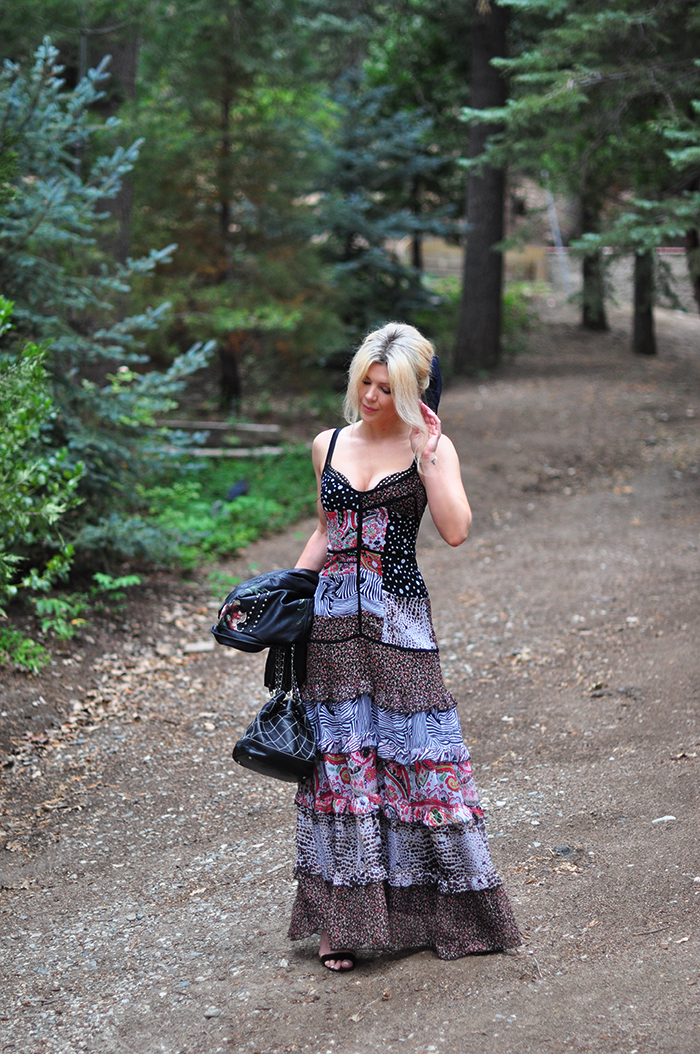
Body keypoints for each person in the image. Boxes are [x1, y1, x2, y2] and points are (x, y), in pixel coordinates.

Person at [288, 322, 520, 970]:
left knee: (420, 767)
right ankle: (340, 923)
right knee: (342, 773)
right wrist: (279, 592)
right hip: (330, 634)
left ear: (413, 392)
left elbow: (455, 530)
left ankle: (442, 914)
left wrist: (427, 456)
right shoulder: (326, 445)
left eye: (385, 387)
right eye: (365, 379)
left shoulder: (432, 448)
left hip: (401, 629)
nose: (368, 395)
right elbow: (325, 532)